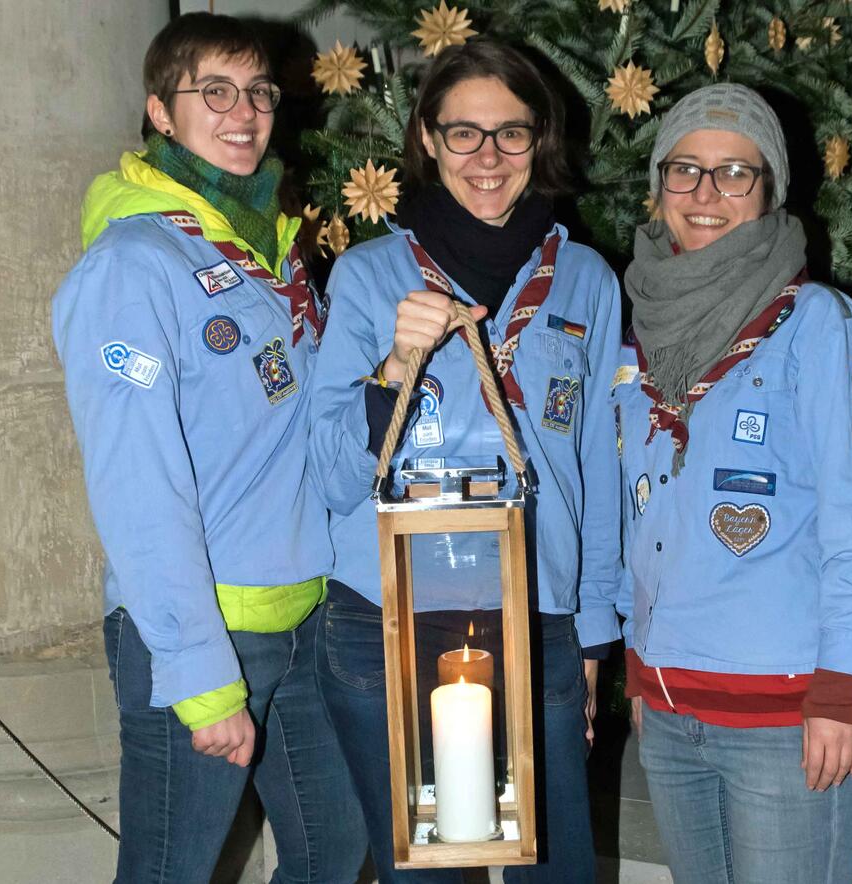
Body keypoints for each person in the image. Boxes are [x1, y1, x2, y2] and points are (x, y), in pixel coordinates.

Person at [52, 13, 365, 882]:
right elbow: (135, 484)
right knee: (170, 872)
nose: (244, 112)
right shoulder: (132, 265)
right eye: (213, 92)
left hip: (301, 616)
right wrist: (200, 676)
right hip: (203, 632)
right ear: (160, 111)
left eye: (259, 91)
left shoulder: (270, 251)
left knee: (334, 849)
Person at [309, 38, 622, 883]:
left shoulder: (586, 278)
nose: (488, 158)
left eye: (510, 134)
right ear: (427, 138)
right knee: (431, 874)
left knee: (554, 869)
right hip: (389, 618)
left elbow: (598, 469)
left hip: (535, 613)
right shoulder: (370, 277)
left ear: (540, 139)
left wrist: (592, 636)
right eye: (464, 134)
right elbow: (328, 475)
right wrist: (391, 371)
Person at [613, 83, 852, 884]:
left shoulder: (819, 324)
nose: (706, 195)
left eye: (735, 173)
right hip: (670, 712)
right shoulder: (635, 332)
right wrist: (640, 663)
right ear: (659, 184)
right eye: (685, 170)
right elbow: (634, 515)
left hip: (787, 714)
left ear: (770, 188)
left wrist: (844, 681)